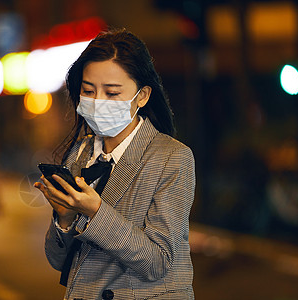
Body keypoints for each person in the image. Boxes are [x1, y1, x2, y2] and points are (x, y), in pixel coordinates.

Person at [34, 28, 196, 299]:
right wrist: (64, 218)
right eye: (88, 90)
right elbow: (58, 262)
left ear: (142, 96)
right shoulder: (80, 153)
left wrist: (96, 211)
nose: (98, 102)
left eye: (112, 93)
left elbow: (158, 262)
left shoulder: (172, 158)